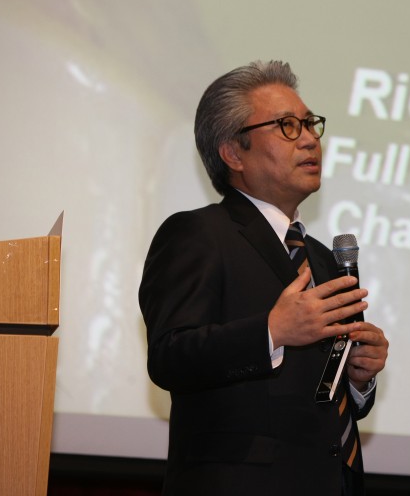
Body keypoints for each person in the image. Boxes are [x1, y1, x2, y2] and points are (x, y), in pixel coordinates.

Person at [139, 60, 389, 495]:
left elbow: (317, 398)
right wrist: (272, 331)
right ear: (234, 153)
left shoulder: (322, 258)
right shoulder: (197, 234)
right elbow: (170, 356)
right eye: (287, 126)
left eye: (310, 124)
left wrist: (357, 379)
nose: (309, 139)